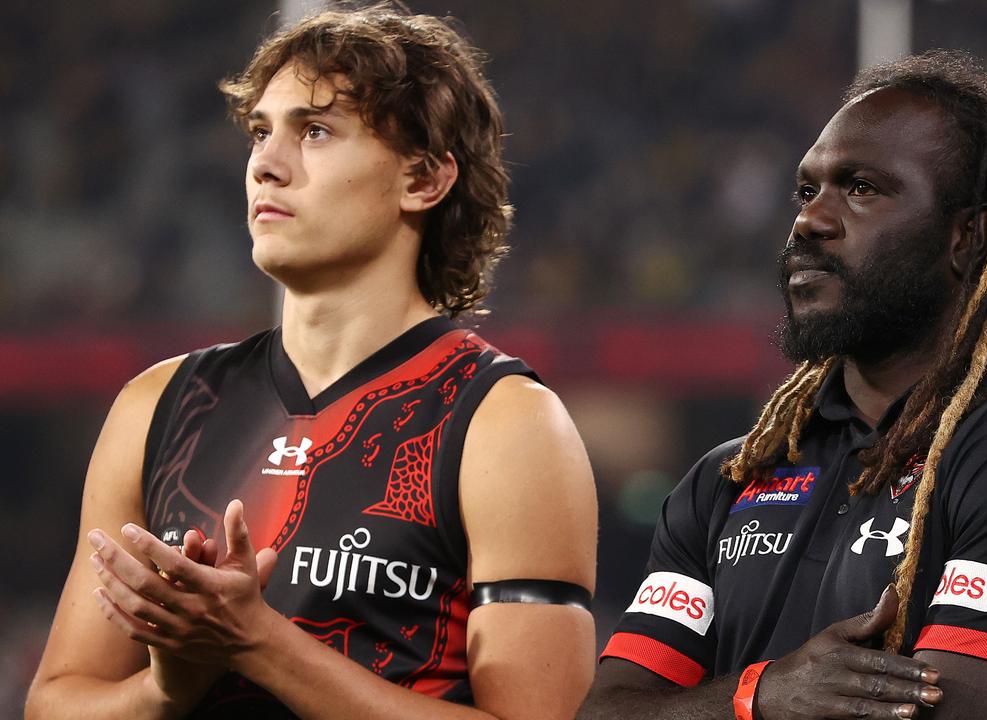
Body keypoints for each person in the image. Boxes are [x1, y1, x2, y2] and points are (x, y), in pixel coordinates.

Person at [25, 7, 597, 720]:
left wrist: (259, 644)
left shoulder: (506, 423)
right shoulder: (158, 404)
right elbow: (55, 703)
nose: (266, 162)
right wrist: (170, 687)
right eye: (262, 132)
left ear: (423, 180)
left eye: (316, 131)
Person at [580, 51, 987, 720]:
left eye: (860, 189)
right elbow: (609, 712)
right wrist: (760, 696)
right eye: (807, 191)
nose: (810, 221)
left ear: (967, 237)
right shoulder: (726, 481)